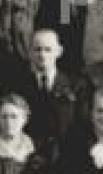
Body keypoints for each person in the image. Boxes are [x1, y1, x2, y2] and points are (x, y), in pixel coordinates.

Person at [19, 28, 82, 158]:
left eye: (48, 50)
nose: (42, 55)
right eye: (37, 49)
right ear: (29, 52)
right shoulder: (19, 86)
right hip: (30, 156)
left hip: (67, 155)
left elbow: (82, 123)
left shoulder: (76, 85)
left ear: (59, 52)